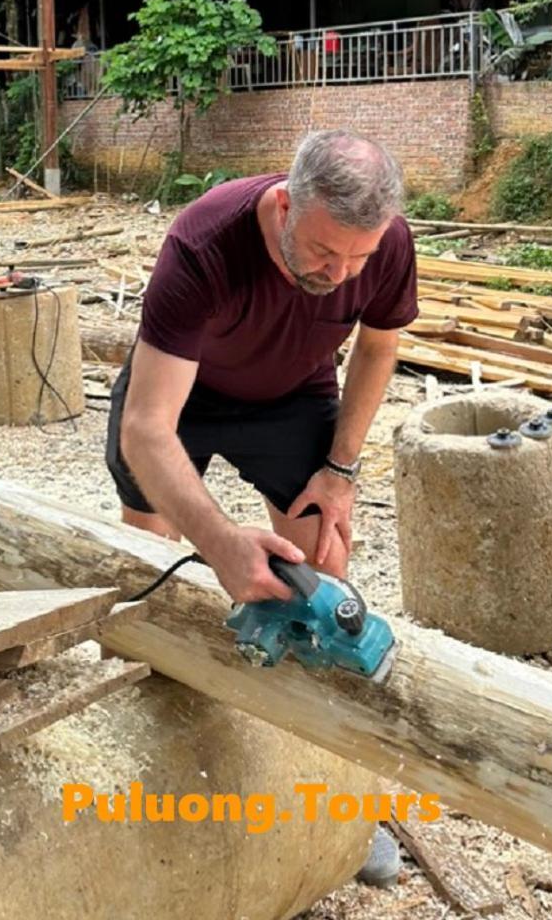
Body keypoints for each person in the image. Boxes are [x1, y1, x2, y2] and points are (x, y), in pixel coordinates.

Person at [105, 128, 417, 886]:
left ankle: (341, 799)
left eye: (358, 259)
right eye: (321, 253)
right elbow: (148, 428)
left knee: (326, 580)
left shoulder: (386, 242)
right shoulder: (203, 244)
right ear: (284, 203)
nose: (339, 274)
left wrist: (341, 470)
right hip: (183, 396)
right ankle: (151, 765)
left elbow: (377, 349)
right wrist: (217, 542)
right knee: (149, 576)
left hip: (292, 394)